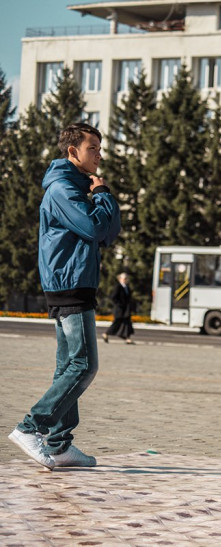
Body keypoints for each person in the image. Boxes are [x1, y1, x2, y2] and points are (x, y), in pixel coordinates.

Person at [8, 122, 121, 469]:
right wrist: (103, 195)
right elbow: (94, 227)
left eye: (100, 148)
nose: (99, 155)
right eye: (92, 148)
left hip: (75, 281)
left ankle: (59, 445)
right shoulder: (62, 188)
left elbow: (109, 233)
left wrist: (100, 197)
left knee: (67, 366)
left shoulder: (78, 187)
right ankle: (29, 428)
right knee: (84, 364)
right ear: (72, 151)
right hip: (69, 283)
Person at [103, 272, 134, 344]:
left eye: (126, 278)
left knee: (127, 323)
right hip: (119, 309)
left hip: (126, 309)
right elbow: (113, 297)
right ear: (120, 279)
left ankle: (127, 338)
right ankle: (106, 334)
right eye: (124, 278)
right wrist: (119, 304)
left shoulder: (127, 287)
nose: (126, 280)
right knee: (117, 322)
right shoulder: (118, 287)